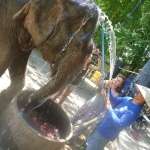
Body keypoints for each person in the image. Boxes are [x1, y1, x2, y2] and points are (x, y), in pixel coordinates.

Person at [86, 84, 150, 150]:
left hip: (105, 133)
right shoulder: (129, 99)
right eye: (139, 90)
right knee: (88, 144)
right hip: (101, 125)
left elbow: (120, 124)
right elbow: (114, 100)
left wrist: (110, 109)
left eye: (141, 93)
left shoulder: (134, 111)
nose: (138, 91)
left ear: (144, 100)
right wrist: (109, 88)